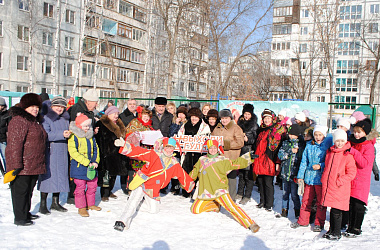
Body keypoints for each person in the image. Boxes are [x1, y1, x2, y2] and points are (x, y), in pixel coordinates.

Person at [113, 137, 195, 231]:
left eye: (171, 148)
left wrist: (192, 187)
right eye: (167, 147)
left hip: (153, 189)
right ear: (163, 147)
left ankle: (136, 203)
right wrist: (125, 145)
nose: (169, 150)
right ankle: (122, 221)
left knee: (154, 210)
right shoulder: (154, 154)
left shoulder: (174, 163)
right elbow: (139, 152)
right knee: (134, 200)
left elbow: (182, 175)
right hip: (143, 182)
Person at [189, 139, 260, 233]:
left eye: (215, 148)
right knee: (195, 209)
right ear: (208, 149)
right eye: (211, 148)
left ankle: (250, 223)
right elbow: (194, 172)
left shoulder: (222, 160)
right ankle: (215, 205)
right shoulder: (202, 160)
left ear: (218, 149)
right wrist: (186, 181)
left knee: (232, 207)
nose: (213, 150)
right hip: (206, 191)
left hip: (219, 190)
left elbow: (236, 163)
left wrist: (248, 157)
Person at [6, 93, 47, 226]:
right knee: (20, 192)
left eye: (37, 107)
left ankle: (25, 212)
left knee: (28, 191)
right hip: (22, 165)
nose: (35, 109)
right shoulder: (19, 121)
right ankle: (19, 217)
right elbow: (14, 145)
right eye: (32, 107)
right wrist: (16, 165)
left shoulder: (34, 121)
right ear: (25, 107)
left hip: (33, 164)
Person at [291, 125, 333, 232]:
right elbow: (304, 161)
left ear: (324, 135)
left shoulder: (327, 146)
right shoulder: (309, 145)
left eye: (320, 135)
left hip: (320, 179)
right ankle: (303, 221)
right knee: (306, 200)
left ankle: (319, 223)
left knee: (320, 202)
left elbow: (329, 161)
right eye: (316, 135)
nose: (318, 137)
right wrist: (300, 176)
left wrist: (320, 166)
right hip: (309, 178)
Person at [321, 129, 356, 241]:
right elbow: (327, 167)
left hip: (340, 187)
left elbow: (352, 172)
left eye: (342, 141)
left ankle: (336, 232)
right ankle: (332, 229)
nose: (339, 143)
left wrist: (340, 180)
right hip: (330, 185)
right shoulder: (330, 152)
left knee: (337, 211)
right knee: (332, 209)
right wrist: (324, 179)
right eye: (337, 141)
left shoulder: (347, 155)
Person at [38, 96, 71, 214]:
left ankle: (55, 202)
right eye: (57, 106)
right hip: (50, 151)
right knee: (48, 177)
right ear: (52, 106)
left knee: (60, 176)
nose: (59, 109)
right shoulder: (45, 118)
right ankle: (42, 204)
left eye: (62, 107)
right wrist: (62, 134)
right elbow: (46, 135)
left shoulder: (65, 119)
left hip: (62, 151)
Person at [344, 119, 376, 237]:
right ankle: (350, 226)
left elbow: (365, 164)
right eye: (355, 132)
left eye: (360, 132)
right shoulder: (352, 143)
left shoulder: (368, 146)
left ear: (366, 133)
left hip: (361, 180)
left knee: (358, 204)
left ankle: (356, 228)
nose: (356, 134)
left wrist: (353, 152)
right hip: (351, 178)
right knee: (351, 204)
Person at [67, 89, 99, 204]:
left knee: (84, 173)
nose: (96, 105)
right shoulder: (78, 109)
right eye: (95, 103)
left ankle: (84, 198)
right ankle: (72, 195)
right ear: (89, 101)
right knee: (77, 173)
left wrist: (92, 130)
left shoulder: (87, 110)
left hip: (87, 144)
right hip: (79, 145)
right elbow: (76, 126)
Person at [68, 114, 101, 217]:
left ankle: (90, 204)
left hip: (92, 166)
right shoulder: (73, 137)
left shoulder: (91, 137)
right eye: (85, 126)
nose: (87, 128)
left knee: (92, 185)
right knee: (80, 187)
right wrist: (86, 162)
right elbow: (73, 152)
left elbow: (96, 149)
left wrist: (96, 161)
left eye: (88, 126)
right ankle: (81, 207)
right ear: (78, 126)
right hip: (79, 166)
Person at [253, 109, 286, 211]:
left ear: (273, 118)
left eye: (268, 118)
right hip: (259, 159)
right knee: (260, 181)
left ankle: (269, 203)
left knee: (268, 182)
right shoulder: (261, 130)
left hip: (269, 159)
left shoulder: (277, 130)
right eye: (265, 118)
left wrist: (278, 162)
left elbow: (280, 147)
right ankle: (262, 201)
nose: (267, 120)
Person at [95, 106, 129, 202]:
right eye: (114, 113)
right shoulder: (101, 124)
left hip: (117, 152)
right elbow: (99, 139)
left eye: (117, 114)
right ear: (108, 114)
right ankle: (104, 193)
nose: (116, 115)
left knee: (114, 174)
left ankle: (110, 191)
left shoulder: (119, 124)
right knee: (106, 175)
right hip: (106, 153)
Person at [212, 109, 244, 201]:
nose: (224, 120)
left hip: (231, 158)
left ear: (230, 118)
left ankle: (231, 198)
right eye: (222, 118)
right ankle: (220, 197)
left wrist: (225, 143)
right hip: (219, 158)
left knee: (231, 179)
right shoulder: (217, 128)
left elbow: (240, 142)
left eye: (226, 118)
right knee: (219, 178)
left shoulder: (236, 128)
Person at [178, 107, 210, 197]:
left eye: (196, 117)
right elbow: (180, 135)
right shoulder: (185, 125)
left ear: (199, 117)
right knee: (186, 170)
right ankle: (186, 190)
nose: (194, 118)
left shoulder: (204, 126)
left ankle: (197, 190)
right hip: (187, 153)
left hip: (199, 153)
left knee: (197, 171)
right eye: (192, 116)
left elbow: (207, 137)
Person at [124, 107, 154, 194]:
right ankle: (131, 188)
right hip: (136, 152)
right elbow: (129, 134)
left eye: (148, 116)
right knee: (133, 170)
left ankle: (141, 189)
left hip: (145, 153)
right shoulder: (135, 122)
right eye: (145, 115)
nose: (146, 118)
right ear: (141, 115)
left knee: (143, 171)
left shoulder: (149, 126)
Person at [277, 124, 305, 218]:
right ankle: (284, 211)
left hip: (294, 175)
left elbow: (302, 159)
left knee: (294, 195)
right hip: (285, 174)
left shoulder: (301, 145)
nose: (290, 136)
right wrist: (289, 151)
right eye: (290, 134)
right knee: (285, 194)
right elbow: (280, 155)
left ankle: (297, 211)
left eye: (293, 134)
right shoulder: (286, 143)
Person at [236, 104, 258, 205]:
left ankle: (247, 195)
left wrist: (247, 139)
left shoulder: (254, 125)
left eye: (248, 114)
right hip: (240, 150)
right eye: (245, 113)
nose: (246, 116)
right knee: (241, 173)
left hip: (249, 151)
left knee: (248, 174)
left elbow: (255, 140)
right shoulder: (240, 122)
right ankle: (240, 192)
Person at [151, 97, 173, 194]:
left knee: (164, 165)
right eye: (159, 106)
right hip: (152, 143)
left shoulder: (170, 116)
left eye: (163, 106)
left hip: (164, 144)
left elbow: (171, 130)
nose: (161, 108)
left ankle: (163, 186)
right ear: (155, 106)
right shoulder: (150, 115)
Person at [0, 97, 10, 175]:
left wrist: (3, 130)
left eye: (1, 105)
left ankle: (8, 172)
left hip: (3, 139)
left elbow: (10, 126)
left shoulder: (7, 114)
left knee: (5, 157)